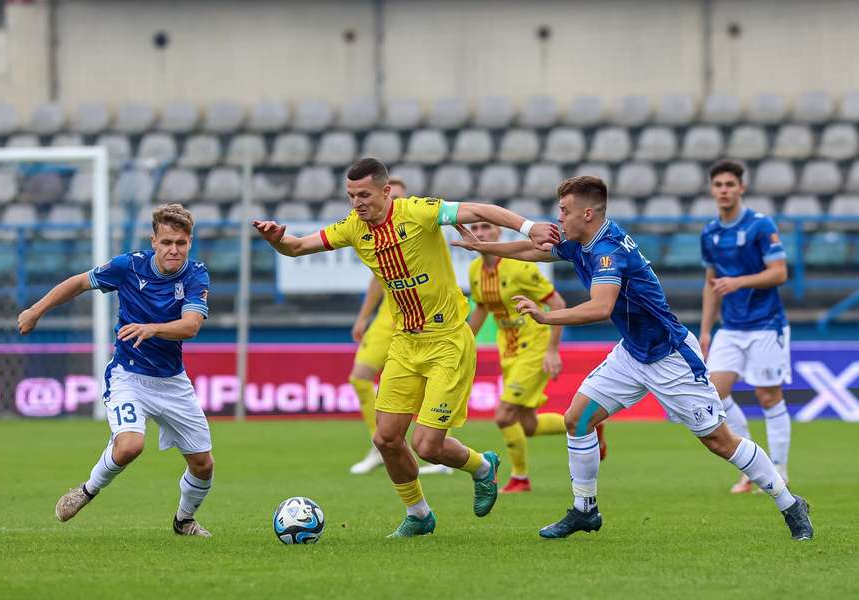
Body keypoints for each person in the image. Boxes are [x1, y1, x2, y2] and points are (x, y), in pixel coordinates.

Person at [451, 175, 813, 541]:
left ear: (587, 213)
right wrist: (483, 247)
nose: (558, 217)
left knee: (720, 441)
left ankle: (789, 503)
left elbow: (600, 306)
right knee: (577, 419)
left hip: (669, 355)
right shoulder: (583, 240)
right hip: (633, 352)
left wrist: (547, 317)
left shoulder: (608, 249)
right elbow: (534, 250)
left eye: (564, 211)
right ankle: (584, 509)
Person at [253, 157, 559, 537]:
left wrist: (529, 228)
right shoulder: (353, 227)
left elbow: (479, 209)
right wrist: (276, 240)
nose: (356, 203)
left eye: (363, 195)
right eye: (350, 196)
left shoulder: (419, 212)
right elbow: (298, 247)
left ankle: (482, 466)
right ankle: (418, 514)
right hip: (405, 343)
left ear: (385, 191)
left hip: (447, 341)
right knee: (386, 438)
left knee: (427, 445)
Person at [17, 204, 214, 537]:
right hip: (129, 376)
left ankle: (184, 521)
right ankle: (87, 490)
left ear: (190, 242)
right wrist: (36, 311)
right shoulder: (128, 267)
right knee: (129, 446)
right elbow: (80, 282)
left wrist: (151, 328)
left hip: (172, 382)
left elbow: (191, 325)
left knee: (203, 465)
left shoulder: (195, 274)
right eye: (166, 242)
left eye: (180, 243)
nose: (173, 250)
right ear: (154, 241)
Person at [466, 221, 605, 493]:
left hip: (534, 346)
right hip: (509, 349)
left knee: (505, 416)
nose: (480, 233)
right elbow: (482, 308)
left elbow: (557, 304)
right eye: (476, 228)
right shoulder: (474, 271)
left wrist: (552, 350)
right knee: (527, 425)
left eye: (486, 228)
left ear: (498, 233)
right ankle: (591, 424)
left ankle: (520, 478)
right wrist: (464, 341)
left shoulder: (520, 266)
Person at [699, 160, 792, 494]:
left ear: (741, 188)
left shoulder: (760, 225)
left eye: (729, 184)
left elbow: (779, 272)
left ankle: (779, 469)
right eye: (718, 185)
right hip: (731, 328)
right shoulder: (709, 232)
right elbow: (711, 284)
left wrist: (738, 282)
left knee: (768, 397)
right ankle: (754, 465)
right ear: (712, 190)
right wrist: (706, 330)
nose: (724, 190)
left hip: (767, 325)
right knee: (713, 395)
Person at [348, 177, 451, 477]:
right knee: (360, 377)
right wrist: (363, 317)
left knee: (425, 383)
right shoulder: (371, 231)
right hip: (387, 318)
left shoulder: (417, 224)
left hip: (424, 321)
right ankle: (380, 443)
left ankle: (435, 446)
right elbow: (376, 278)